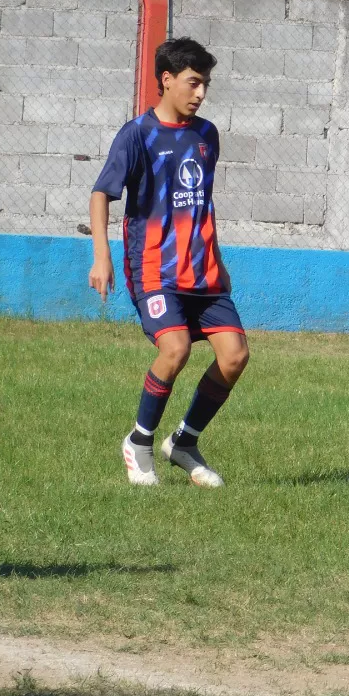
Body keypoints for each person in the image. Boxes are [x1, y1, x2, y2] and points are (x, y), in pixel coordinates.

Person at [88, 38, 248, 488]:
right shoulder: (137, 134)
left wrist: (216, 258)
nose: (200, 94)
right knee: (174, 348)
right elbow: (101, 193)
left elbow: (201, 205)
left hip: (205, 274)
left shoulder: (207, 135)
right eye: (193, 83)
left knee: (235, 357)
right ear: (167, 80)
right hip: (154, 271)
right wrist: (102, 256)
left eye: (206, 85)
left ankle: (184, 442)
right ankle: (139, 441)